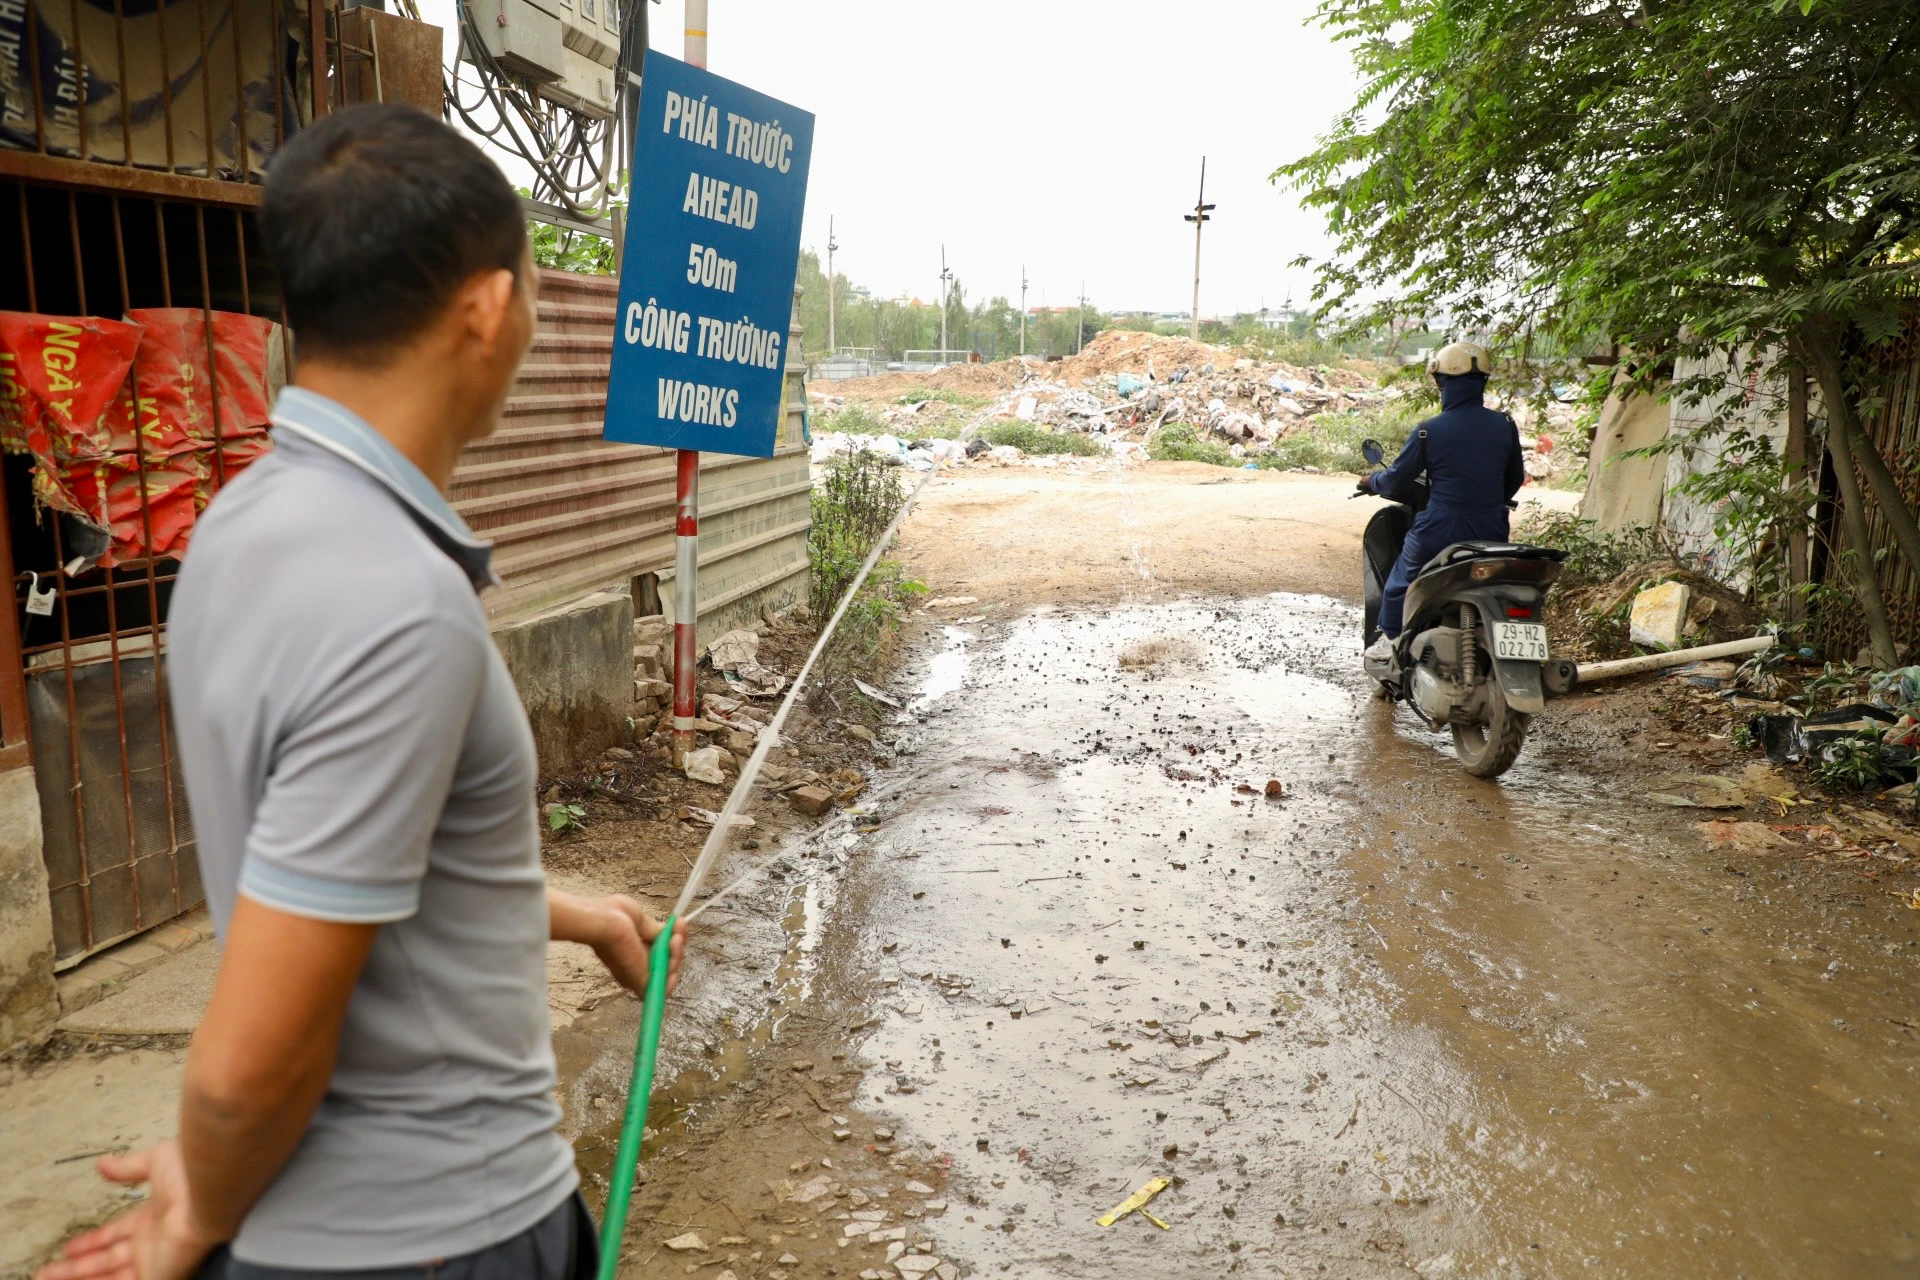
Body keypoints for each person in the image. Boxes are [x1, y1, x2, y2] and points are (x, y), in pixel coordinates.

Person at [36, 103, 683, 1280]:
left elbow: (352, 858)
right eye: (537, 295)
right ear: (488, 309)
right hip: (437, 1239)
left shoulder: (242, 524)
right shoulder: (394, 600)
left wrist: (576, 910)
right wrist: (198, 1197)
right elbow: (251, 1060)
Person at [1358, 341, 1524, 663]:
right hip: (1492, 528)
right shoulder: (1505, 425)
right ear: (1482, 381)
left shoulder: (1428, 431)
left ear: (1442, 382)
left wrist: (1371, 481)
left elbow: (1395, 480)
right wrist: (1490, 502)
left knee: (1399, 584)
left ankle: (1388, 643)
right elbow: (1514, 478)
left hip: (1440, 528)